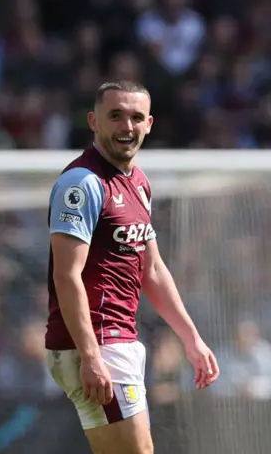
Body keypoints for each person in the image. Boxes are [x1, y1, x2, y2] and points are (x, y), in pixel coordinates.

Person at [45, 80, 219, 454]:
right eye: (116, 116)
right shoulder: (83, 183)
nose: (127, 126)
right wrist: (90, 355)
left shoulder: (138, 183)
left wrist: (190, 338)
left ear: (150, 124)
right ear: (94, 121)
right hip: (97, 344)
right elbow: (66, 274)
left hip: (118, 342)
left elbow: (152, 269)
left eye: (136, 117)